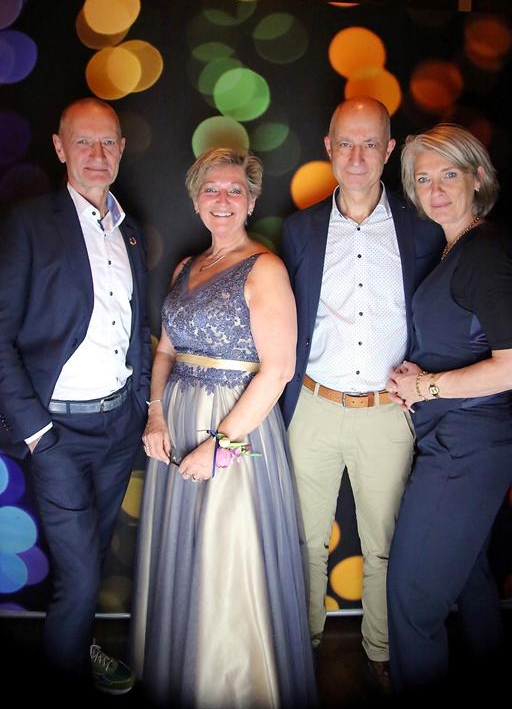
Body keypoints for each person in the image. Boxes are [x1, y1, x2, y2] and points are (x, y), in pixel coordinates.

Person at [129, 147, 316, 709]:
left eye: (236, 190)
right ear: (195, 199)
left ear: (252, 201)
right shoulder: (186, 267)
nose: (223, 199)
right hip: (176, 421)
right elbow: (166, 351)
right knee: (182, 549)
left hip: (236, 425)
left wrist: (219, 446)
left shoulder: (266, 268)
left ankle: (232, 687)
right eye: (211, 189)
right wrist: (155, 413)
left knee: (226, 553)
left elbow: (278, 370)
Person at [279, 96, 444, 689]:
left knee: (386, 545)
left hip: (386, 413)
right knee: (303, 541)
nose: (356, 157)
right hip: (314, 407)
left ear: (389, 150)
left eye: (370, 143)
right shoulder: (298, 229)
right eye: (345, 143)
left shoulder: (422, 229)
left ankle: (382, 652)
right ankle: (301, 650)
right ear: (328, 147)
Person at [0, 98, 151, 694]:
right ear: (60, 147)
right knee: (81, 576)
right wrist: (37, 433)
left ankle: (78, 649)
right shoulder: (29, 222)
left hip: (117, 430)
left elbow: (136, 327)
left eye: (108, 141)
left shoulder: (129, 231)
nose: (96, 154)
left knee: (91, 560)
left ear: (122, 149)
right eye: (83, 141)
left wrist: (140, 407)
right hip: (56, 433)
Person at [386, 123, 512, 694]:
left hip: (467, 447)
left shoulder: (485, 252)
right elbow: (459, 341)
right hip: (455, 438)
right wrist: (416, 379)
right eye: (422, 179)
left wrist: (427, 389)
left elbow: (508, 365)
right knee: (471, 578)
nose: (435, 190)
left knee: (412, 599)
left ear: (477, 178)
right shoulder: (456, 249)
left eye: (449, 174)